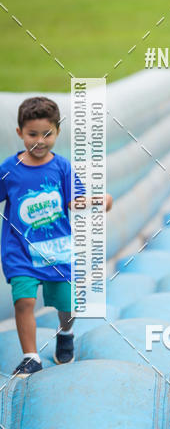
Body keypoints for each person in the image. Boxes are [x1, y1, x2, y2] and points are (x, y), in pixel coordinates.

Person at [0, 97, 113, 377]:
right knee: (24, 301)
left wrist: (99, 200)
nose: (40, 141)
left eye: (47, 134)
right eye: (32, 134)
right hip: (21, 251)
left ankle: (66, 333)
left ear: (57, 133)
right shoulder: (8, 170)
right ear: (19, 134)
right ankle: (31, 356)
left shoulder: (61, 167)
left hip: (57, 250)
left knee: (67, 305)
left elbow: (75, 200)